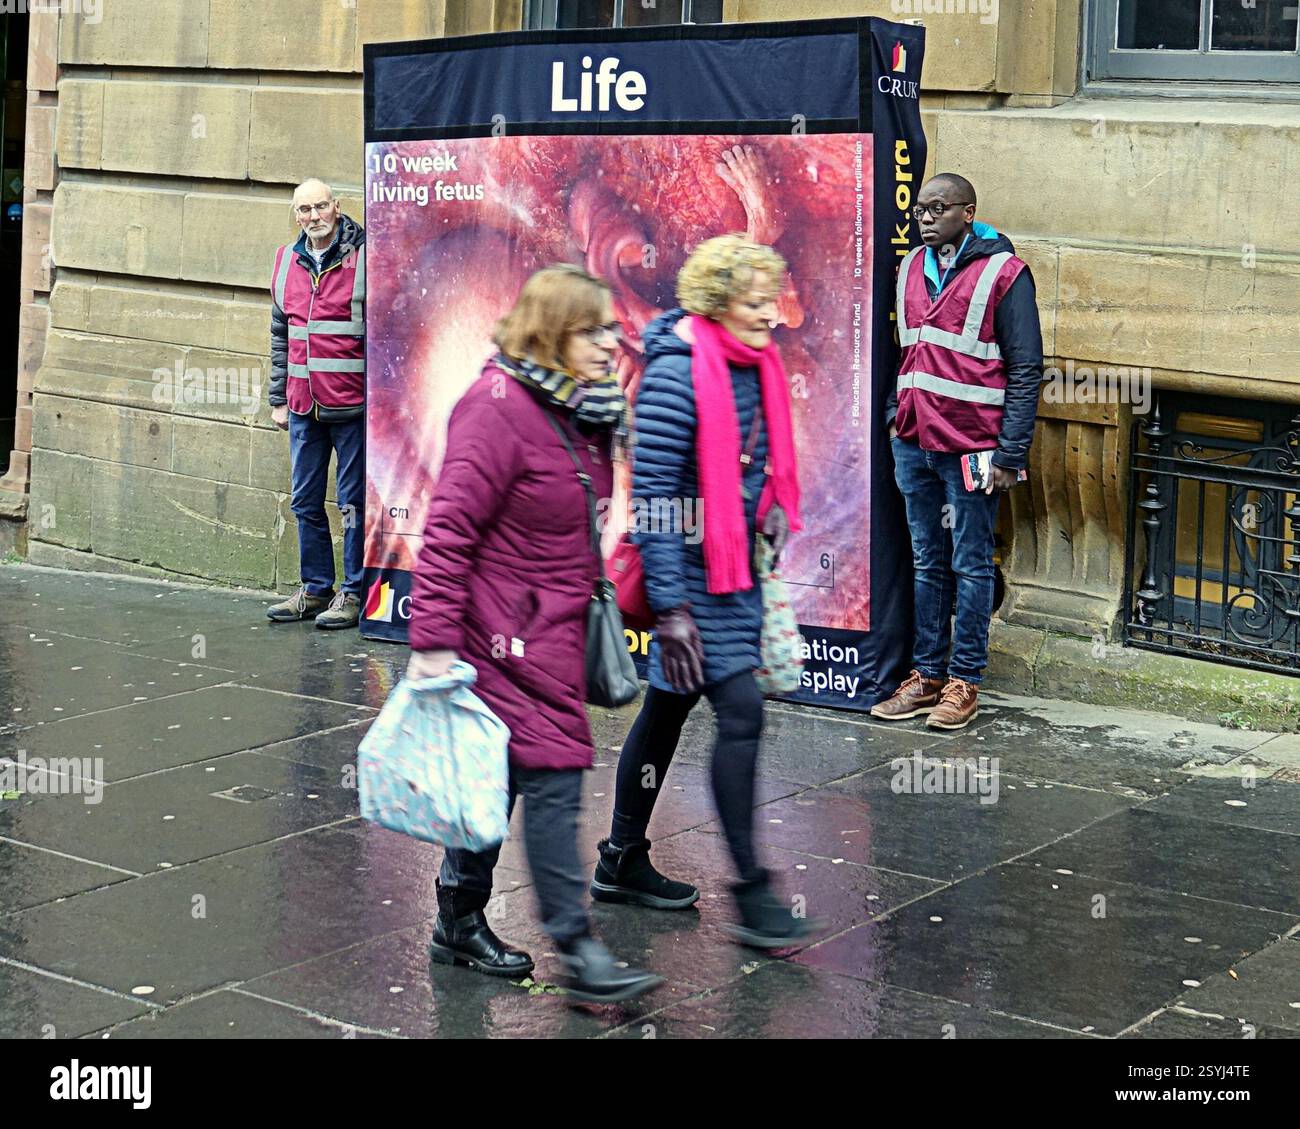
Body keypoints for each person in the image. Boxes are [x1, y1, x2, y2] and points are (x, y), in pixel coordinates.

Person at [406, 264, 663, 1004]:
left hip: (551, 632)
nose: (612, 342)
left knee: (502, 781)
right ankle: (578, 948)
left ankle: (457, 915)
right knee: (552, 780)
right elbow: (448, 533)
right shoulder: (494, 408)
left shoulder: (581, 408)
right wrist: (431, 648)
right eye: (596, 329)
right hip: (501, 640)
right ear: (553, 333)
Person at [592, 234, 823, 949]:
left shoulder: (754, 362)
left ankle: (621, 858)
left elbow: (749, 461)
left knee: (664, 710)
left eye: (771, 298)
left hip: (734, 571)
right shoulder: (675, 372)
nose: (770, 313)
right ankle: (753, 893)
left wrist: (767, 507)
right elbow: (656, 499)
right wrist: (673, 612)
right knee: (742, 714)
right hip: (691, 583)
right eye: (756, 302)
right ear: (719, 301)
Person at [874, 173, 1043, 730]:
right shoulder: (908, 268)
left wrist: (1010, 453)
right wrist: (893, 420)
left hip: (973, 446)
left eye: (938, 208)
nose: (924, 217)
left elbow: (1025, 369)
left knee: (969, 565)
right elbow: (908, 355)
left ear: (967, 212)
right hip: (915, 442)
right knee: (926, 561)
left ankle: (964, 682)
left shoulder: (1004, 273)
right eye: (919, 209)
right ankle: (925, 676)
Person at [265, 178, 367, 629]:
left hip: (353, 405)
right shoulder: (286, 260)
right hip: (303, 405)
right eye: (303, 210)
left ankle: (354, 592)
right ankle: (315, 588)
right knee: (305, 501)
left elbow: (386, 337)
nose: (313, 216)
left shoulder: (367, 257)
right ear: (296, 214)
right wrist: (277, 399)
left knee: (352, 503)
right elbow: (280, 335)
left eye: (320, 206)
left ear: (336, 207)